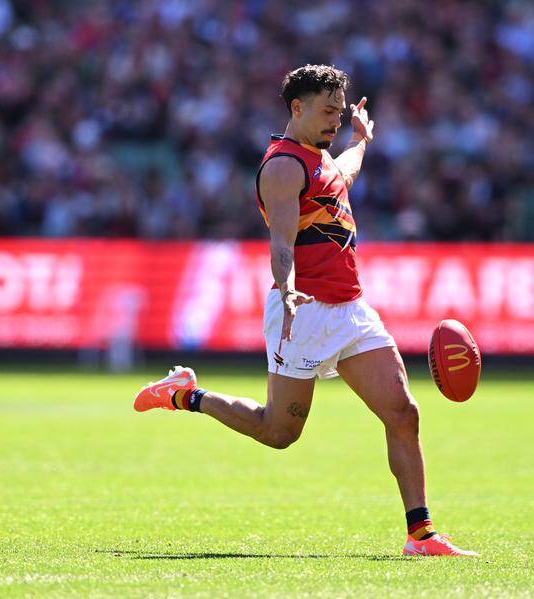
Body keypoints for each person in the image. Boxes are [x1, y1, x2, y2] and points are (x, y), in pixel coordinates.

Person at [133, 65, 478, 557]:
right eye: (328, 111)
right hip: (304, 309)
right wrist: (287, 289)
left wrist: (363, 140)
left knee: (403, 412)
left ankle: (420, 535)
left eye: (340, 112)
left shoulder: (322, 159)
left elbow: (346, 171)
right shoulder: (283, 167)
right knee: (280, 433)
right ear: (297, 108)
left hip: (352, 311)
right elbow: (282, 244)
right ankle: (187, 394)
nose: (336, 120)